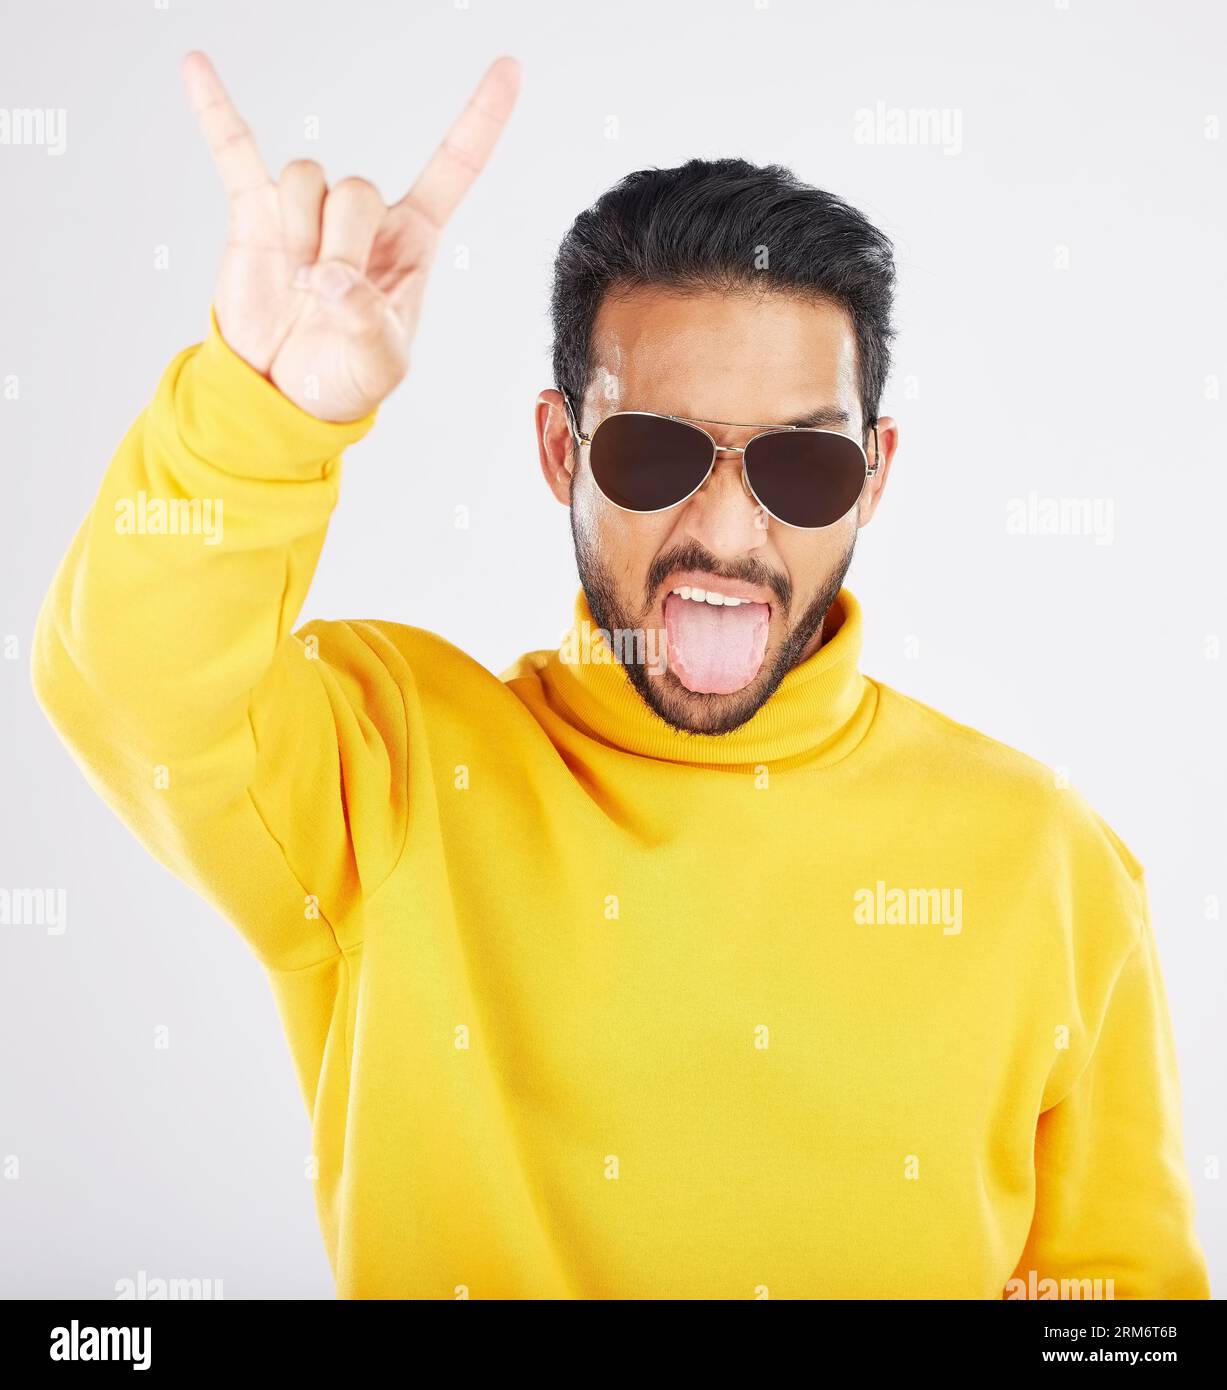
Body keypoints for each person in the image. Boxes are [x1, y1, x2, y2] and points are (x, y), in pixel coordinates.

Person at [31, 50, 1210, 1300]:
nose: (729, 528)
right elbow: (130, 684)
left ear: (874, 474)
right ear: (563, 448)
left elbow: (1132, 1310)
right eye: (657, 452)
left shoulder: (1051, 861)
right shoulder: (393, 770)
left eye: (800, 468)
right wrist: (262, 410)